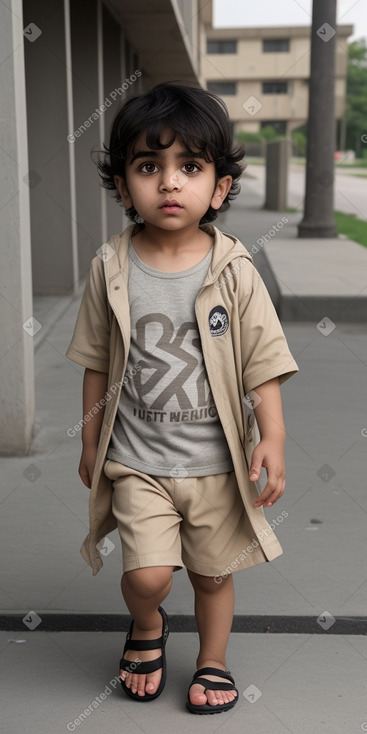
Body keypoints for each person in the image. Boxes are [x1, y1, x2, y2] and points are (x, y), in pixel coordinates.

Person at [65, 82, 299, 714]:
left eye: (190, 168)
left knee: (212, 574)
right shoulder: (109, 266)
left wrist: (271, 436)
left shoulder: (235, 270)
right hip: (139, 458)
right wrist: (90, 438)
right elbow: (95, 359)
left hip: (217, 463)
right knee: (145, 576)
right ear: (122, 184)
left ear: (219, 187)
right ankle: (148, 625)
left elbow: (263, 363)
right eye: (148, 167)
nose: (169, 184)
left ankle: (214, 660)